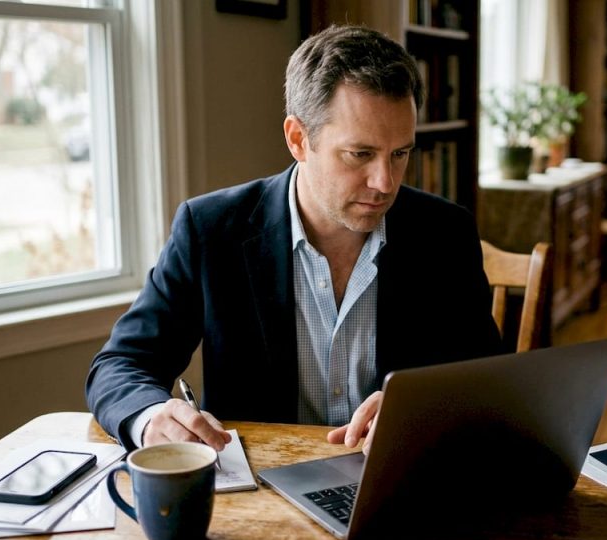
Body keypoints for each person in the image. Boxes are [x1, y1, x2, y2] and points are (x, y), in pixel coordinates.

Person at [86, 25, 502, 453]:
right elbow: (120, 365)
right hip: (261, 489)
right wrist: (152, 417)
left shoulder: (444, 232)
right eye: (360, 154)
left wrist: (428, 410)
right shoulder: (210, 229)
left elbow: (489, 382)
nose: (385, 182)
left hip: (396, 483)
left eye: (400, 153)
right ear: (298, 139)